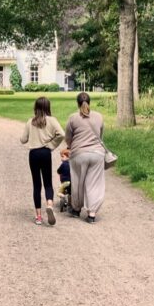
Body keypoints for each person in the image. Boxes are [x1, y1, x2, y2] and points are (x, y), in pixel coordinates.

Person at [19, 96, 65, 225]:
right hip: (45, 152)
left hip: (33, 153)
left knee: (36, 184)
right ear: (48, 107)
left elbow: (23, 139)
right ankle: (49, 204)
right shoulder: (52, 120)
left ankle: (38, 216)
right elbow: (61, 134)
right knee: (48, 182)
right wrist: (51, 145)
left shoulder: (30, 122)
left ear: (36, 108)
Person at [63, 91, 106, 224]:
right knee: (93, 184)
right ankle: (92, 213)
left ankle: (76, 209)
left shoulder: (73, 118)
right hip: (97, 154)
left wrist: (70, 147)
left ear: (77, 103)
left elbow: (68, 138)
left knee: (77, 182)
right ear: (89, 102)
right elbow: (100, 135)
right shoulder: (99, 117)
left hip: (79, 154)